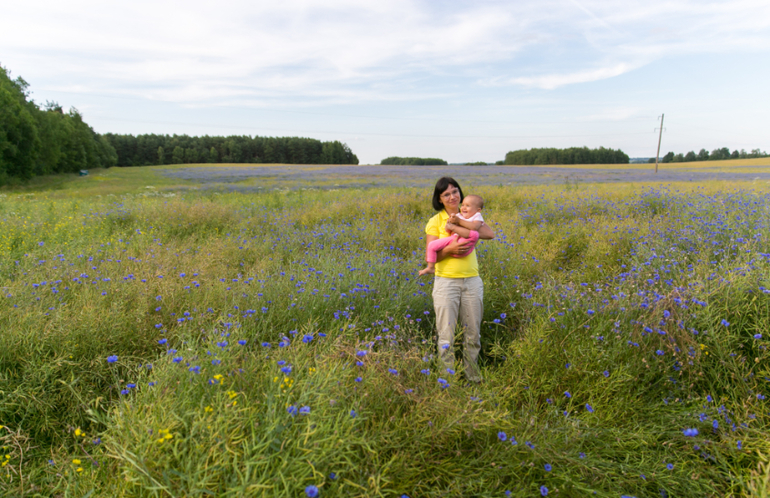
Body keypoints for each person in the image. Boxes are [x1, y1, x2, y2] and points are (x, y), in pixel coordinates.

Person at [424, 177, 494, 383]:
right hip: (446, 283)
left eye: (455, 191)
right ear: (440, 199)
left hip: (472, 281)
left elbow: (489, 234)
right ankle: (447, 379)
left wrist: (462, 221)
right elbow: (431, 254)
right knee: (446, 335)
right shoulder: (435, 221)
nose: (452, 196)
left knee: (473, 333)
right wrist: (450, 249)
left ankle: (472, 377)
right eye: (446, 194)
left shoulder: (469, 215)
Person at [419, 194, 485, 276]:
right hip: (455, 239)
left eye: (468, 206)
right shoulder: (459, 215)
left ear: (478, 210)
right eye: (463, 205)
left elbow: (475, 227)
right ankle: (431, 267)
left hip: (465, 244)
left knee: (475, 234)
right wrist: (449, 224)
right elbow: (448, 230)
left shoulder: (476, 216)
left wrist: (458, 222)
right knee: (431, 245)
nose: (463, 208)